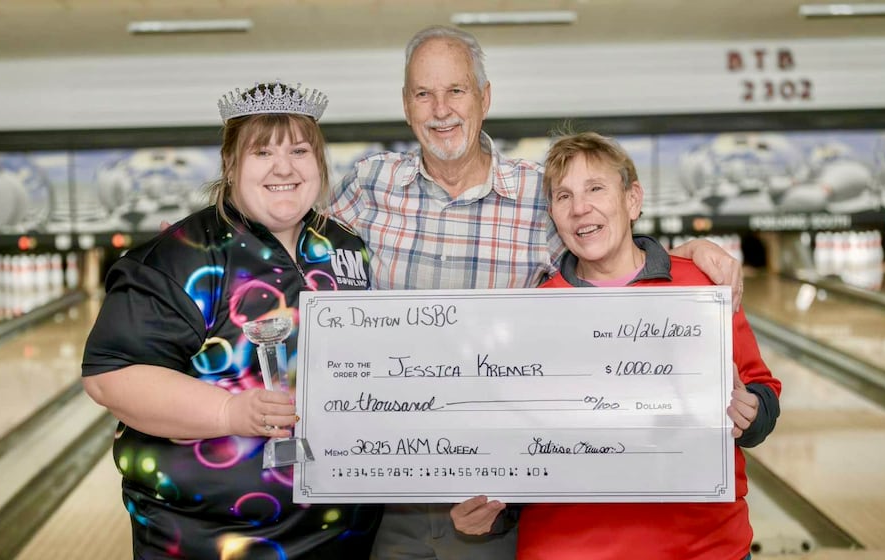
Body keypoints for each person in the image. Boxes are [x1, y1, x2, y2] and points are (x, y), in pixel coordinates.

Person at [329, 24, 746, 560]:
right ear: (406, 105)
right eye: (423, 94)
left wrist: (687, 252)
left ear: (484, 98)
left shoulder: (536, 193)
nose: (441, 109)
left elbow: (609, 255)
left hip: (494, 493)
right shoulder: (369, 184)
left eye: (456, 90)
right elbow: (301, 262)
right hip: (391, 491)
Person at [81, 81, 381, 559]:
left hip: (340, 539)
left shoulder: (345, 249)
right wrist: (230, 413)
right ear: (230, 164)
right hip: (207, 542)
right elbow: (111, 376)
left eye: (299, 151)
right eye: (263, 152)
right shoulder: (181, 257)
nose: (284, 167)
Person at [515, 131, 781, 559]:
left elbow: (762, 390)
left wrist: (751, 412)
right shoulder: (532, 312)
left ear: (633, 200)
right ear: (554, 215)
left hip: (705, 549)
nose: (580, 207)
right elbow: (517, 441)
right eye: (564, 196)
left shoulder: (703, 287)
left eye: (595, 188)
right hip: (569, 549)